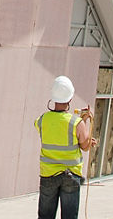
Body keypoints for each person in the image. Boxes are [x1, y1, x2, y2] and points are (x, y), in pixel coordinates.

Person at [36, 75, 94, 219]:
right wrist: (84, 121)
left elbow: (54, 127)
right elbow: (85, 146)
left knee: (45, 216)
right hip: (71, 175)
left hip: (48, 174)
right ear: (70, 99)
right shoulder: (76, 123)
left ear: (53, 98)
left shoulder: (42, 120)